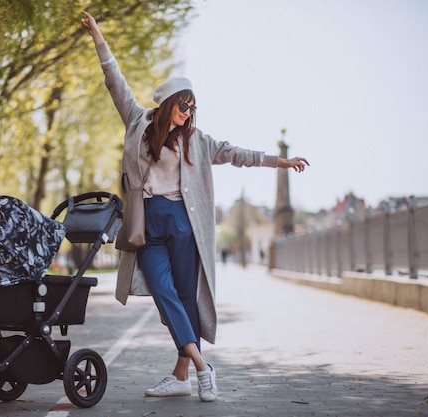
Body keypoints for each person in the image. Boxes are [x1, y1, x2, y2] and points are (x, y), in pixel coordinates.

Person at [81, 11, 309, 402]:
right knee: (164, 293)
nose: (188, 113)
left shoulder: (197, 140)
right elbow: (113, 80)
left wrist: (279, 161)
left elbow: (237, 154)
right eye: (183, 106)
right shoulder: (137, 123)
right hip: (146, 224)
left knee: (187, 296)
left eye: (192, 108)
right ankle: (204, 369)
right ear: (168, 104)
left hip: (184, 224)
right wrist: (97, 35)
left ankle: (183, 374)